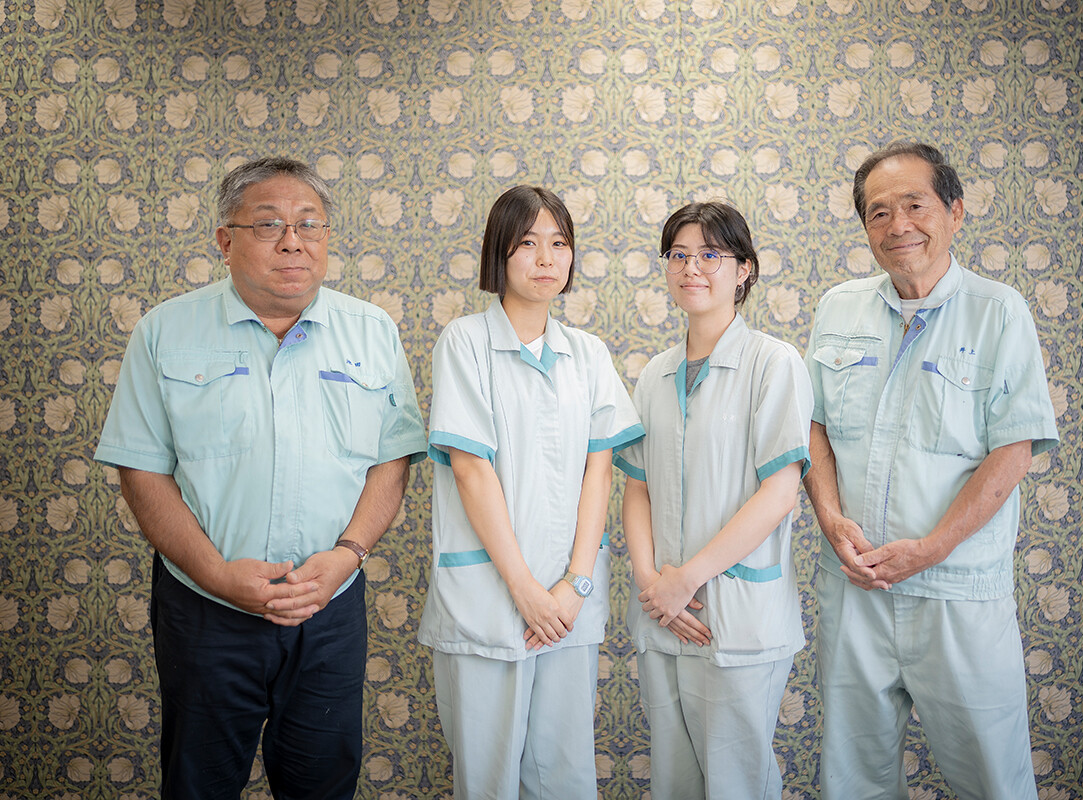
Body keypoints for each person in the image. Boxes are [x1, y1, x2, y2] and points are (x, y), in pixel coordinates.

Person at [94, 157, 427, 800]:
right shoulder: (165, 330)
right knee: (199, 785)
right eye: (269, 224)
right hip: (206, 609)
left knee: (323, 785)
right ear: (225, 240)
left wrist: (348, 554)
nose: (293, 241)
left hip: (329, 607)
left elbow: (392, 460)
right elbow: (142, 470)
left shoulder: (372, 331)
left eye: (310, 224)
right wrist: (217, 574)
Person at [803, 141, 1060, 800]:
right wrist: (830, 518)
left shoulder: (998, 311)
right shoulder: (838, 308)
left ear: (955, 212)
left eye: (914, 205)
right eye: (878, 212)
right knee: (853, 781)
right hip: (854, 589)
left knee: (994, 781)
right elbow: (813, 429)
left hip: (957, 594)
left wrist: (934, 547)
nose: (898, 225)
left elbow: (1015, 449)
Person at [417, 185, 643, 799]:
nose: (546, 258)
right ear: (499, 253)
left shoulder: (588, 354)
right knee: (487, 783)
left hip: (569, 606)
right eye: (527, 243)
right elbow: (471, 470)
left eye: (559, 243)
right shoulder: (465, 342)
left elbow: (600, 472)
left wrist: (574, 586)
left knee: (566, 777)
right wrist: (526, 590)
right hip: (490, 602)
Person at [614, 201, 813, 799]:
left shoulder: (773, 363)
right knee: (674, 784)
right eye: (678, 255)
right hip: (663, 615)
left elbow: (779, 494)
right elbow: (637, 487)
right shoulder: (655, 374)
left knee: (736, 786)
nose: (691, 268)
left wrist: (687, 579)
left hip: (737, 617)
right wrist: (654, 583)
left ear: (744, 269)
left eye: (709, 254)